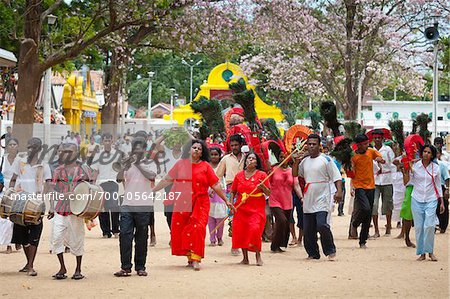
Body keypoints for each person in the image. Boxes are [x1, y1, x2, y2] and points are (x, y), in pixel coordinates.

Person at [153, 140, 232, 271]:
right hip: (183, 203)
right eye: (193, 147)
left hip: (200, 202)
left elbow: (215, 184)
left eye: (199, 149)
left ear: (202, 153)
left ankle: (196, 258)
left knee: (198, 227)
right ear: (188, 150)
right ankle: (190, 256)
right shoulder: (180, 164)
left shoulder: (205, 166)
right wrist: (153, 190)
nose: (196, 150)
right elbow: (168, 179)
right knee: (184, 229)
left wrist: (226, 200)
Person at [293, 134, 343, 260]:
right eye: (309, 144)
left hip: (323, 195)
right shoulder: (304, 162)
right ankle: (312, 253)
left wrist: (339, 192)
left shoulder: (326, 160)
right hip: (309, 196)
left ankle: (330, 249)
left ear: (319, 145)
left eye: (314, 144)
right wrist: (296, 160)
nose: (311, 146)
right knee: (308, 228)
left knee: (321, 224)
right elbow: (295, 173)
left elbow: (336, 177)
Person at [48, 142, 92, 280]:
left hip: (77, 211)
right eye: (64, 151)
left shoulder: (83, 170)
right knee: (56, 239)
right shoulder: (57, 171)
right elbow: (51, 190)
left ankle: (78, 269)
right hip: (60, 209)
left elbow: (90, 189)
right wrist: (51, 207)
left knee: (77, 239)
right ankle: (62, 267)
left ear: (76, 153)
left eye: (70, 151)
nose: (66, 154)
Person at [114, 137, 157, 277]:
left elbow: (151, 176)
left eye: (140, 148)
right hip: (127, 204)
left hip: (144, 205)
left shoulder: (150, 162)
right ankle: (125, 267)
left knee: (141, 236)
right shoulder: (128, 164)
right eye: (135, 148)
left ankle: (140, 267)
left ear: (145, 149)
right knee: (125, 235)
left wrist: (137, 164)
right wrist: (123, 166)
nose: (137, 151)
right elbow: (119, 179)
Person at [9, 138, 52, 276]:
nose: (30, 150)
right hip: (20, 202)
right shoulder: (19, 162)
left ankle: (31, 266)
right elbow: (13, 179)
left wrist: (44, 201)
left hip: (36, 204)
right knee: (21, 235)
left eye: (34, 147)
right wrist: (10, 194)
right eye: (29, 147)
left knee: (34, 233)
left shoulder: (44, 166)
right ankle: (29, 263)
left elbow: (49, 184)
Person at [402, 144, 444, 261]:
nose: (426, 154)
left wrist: (441, 202)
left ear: (432, 155)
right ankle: (422, 253)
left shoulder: (435, 168)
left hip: (431, 199)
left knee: (429, 225)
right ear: (421, 153)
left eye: (429, 152)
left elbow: (438, 185)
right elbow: (406, 182)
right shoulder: (415, 166)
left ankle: (430, 251)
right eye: (425, 151)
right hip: (416, 198)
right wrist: (406, 170)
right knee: (419, 227)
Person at [230, 153, 270, 266]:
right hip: (241, 207)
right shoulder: (239, 176)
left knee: (255, 229)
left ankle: (258, 256)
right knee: (241, 231)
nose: (250, 160)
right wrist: (231, 204)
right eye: (249, 158)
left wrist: (263, 187)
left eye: (253, 158)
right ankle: (245, 258)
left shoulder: (262, 175)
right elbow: (233, 191)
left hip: (256, 208)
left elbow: (268, 193)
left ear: (257, 162)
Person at [350, 134, 384, 248]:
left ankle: (362, 241)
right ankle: (355, 223)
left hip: (371, 186)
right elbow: (351, 172)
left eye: (366, 143)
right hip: (359, 186)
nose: (365, 146)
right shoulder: (353, 156)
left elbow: (378, 157)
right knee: (365, 208)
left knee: (368, 214)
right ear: (357, 145)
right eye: (362, 144)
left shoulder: (371, 151)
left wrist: (380, 160)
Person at [216, 134, 246, 255]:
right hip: (231, 190)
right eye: (232, 145)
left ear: (241, 145)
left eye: (236, 145)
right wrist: (213, 189)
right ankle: (235, 245)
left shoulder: (248, 157)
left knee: (244, 218)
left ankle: (244, 244)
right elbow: (217, 175)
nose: (234, 147)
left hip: (246, 190)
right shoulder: (226, 159)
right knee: (233, 218)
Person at [91, 133, 123, 238]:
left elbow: (121, 171)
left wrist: (124, 184)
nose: (108, 143)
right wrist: (92, 185)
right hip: (101, 184)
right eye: (105, 141)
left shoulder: (118, 154)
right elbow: (95, 171)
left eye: (109, 141)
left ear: (112, 141)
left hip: (113, 183)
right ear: (102, 142)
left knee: (114, 206)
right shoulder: (98, 155)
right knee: (103, 207)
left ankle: (116, 230)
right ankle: (105, 232)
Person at [269, 151, 301, 252]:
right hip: (274, 200)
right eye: (281, 157)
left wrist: (301, 197)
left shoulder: (292, 171)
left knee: (286, 223)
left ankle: (281, 244)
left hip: (287, 201)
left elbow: (296, 185)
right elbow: (267, 183)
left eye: (285, 157)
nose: (283, 159)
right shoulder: (273, 170)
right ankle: (274, 245)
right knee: (281, 221)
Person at [372, 130, 395, 236]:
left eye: (379, 138)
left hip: (387, 179)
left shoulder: (387, 150)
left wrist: (383, 162)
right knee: (374, 204)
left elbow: (393, 164)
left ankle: (388, 227)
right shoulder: (370, 150)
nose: (377, 140)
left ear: (382, 139)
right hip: (374, 180)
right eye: (375, 138)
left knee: (387, 204)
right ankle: (376, 230)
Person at [0, 138, 20, 253]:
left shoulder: (21, 160)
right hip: (3, 189)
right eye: (10, 144)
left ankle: (15, 241)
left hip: (17, 189)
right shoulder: (2, 159)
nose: (12, 146)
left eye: (14, 144)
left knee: (14, 216)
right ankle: (7, 243)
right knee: (4, 216)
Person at [208, 147, 228, 246]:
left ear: (220, 155)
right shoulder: (207, 166)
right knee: (210, 217)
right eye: (212, 154)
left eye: (216, 154)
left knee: (220, 217)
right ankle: (212, 238)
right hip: (209, 192)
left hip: (220, 192)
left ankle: (219, 237)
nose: (214, 157)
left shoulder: (222, 165)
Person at [436, 148, 449, 233]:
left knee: (443, 206)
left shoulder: (442, 165)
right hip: (432, 187)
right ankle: (434, 225)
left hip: (441, 186)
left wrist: (447, 189)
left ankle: (443, 226)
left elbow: (447, 178)